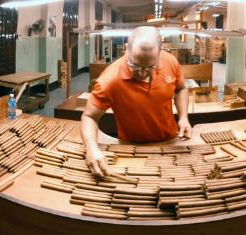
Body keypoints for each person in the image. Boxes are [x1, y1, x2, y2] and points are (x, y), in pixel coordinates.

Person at [81, 26, 192, 178]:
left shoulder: (170, 62)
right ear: (127, 50)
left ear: (159, 53)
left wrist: (183, 117)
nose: (141, 73)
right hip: (131, 148)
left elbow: (180, 89)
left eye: (150, 67)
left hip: (171, 142)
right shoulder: (110, 80)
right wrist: (91, 148)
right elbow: (89, 117)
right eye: (135, 65)